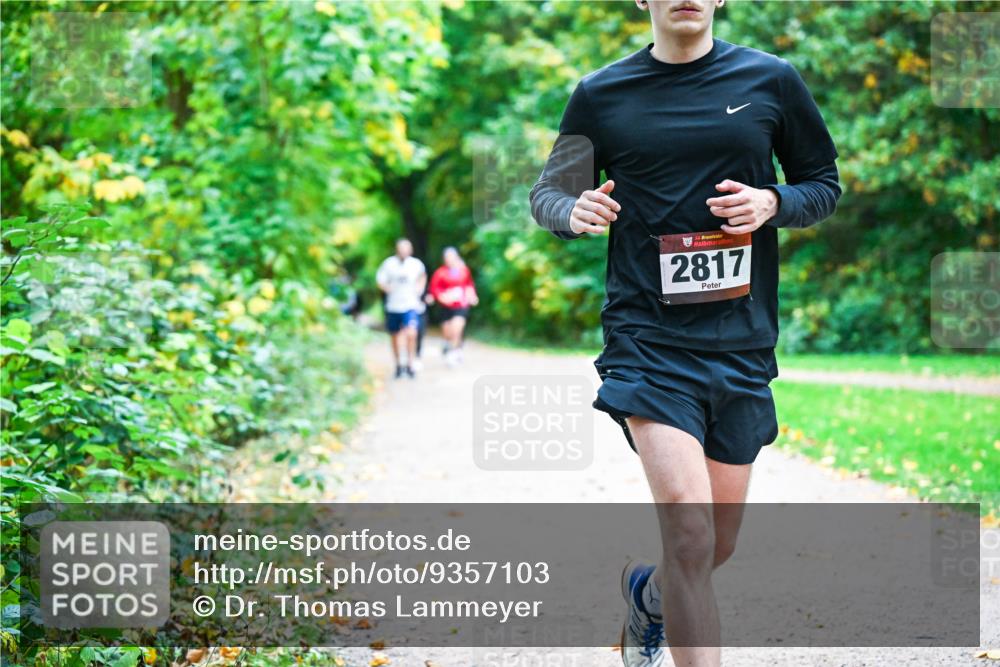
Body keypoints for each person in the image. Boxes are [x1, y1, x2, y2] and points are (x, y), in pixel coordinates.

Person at [529, 2, 840, 666]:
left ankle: (648, 595)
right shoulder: (602, 93)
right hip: (647, 340)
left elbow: (823, 183)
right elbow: (547, 194)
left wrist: (775, 202)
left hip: (741, 342)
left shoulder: (771, 80)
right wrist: (572, 207)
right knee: (693, 536)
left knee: (715, 545)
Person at [376, 239, 426, 379]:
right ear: (397, 250)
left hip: (410, 305)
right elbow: (380, 280)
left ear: (410, 250)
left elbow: (422, 276)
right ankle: (398, 364)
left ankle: (410, 364)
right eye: (401, 248)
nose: (403, 251)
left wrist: (419, 289)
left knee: (411, 333)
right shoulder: (388, 264)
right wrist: (387, 288)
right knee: (395, 336)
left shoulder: (416, 264)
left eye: (406, 249)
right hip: (393, 305)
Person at [426, 247, 479, 366]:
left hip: (461, 305)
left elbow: (469, 285)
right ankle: (448, 345)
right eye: (447, 257)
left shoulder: (463, 270)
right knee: (448, 332)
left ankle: (454, 352)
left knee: (457, 328)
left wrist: (472, 296)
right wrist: (441, 297)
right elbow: (434, 288)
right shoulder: (440, 272)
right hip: (445, 307)